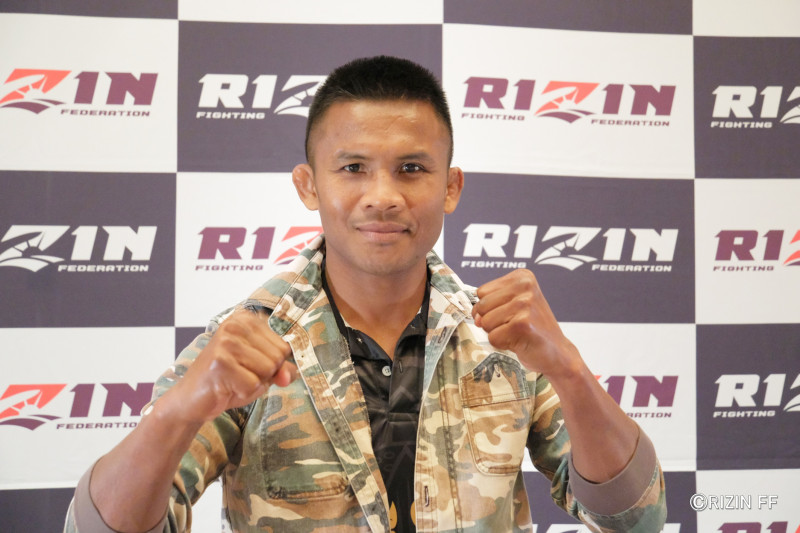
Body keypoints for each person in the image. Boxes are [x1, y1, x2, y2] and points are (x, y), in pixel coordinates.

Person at [65, 55, 666, 533]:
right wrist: (178, 412)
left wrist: (569, 370)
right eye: (353, 168)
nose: (382, 196)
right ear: (308, 185)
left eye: (412, 169)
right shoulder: (248, 341)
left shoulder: (503, 336)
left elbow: (636, 519)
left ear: (450, 187)